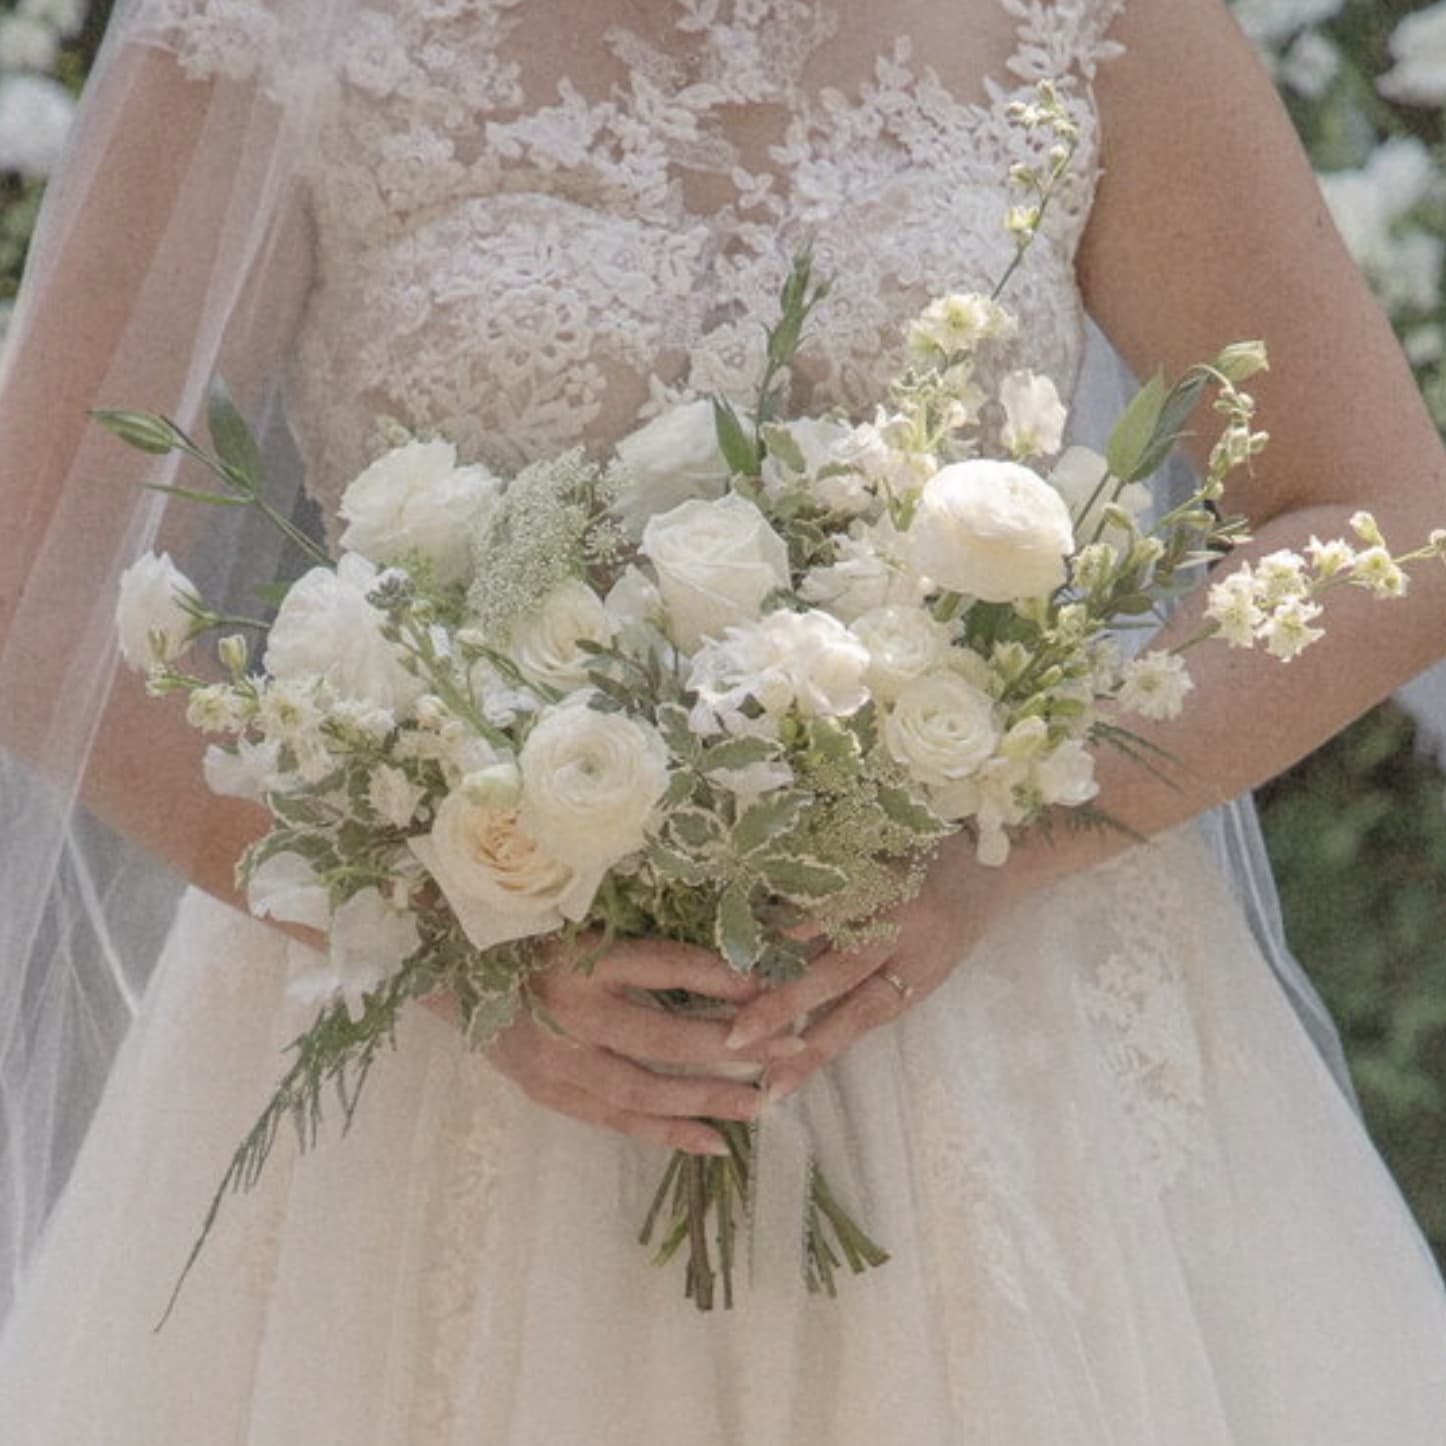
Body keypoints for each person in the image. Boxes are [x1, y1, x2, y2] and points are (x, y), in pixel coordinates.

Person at [1, 0, 1445, 1441]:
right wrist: (428, 925)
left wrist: (1008, 845)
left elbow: (1383, 515)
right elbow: (29, 586)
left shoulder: (1081, 17)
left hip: (994, 1037)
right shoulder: (277, 26)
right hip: (450, 1074)